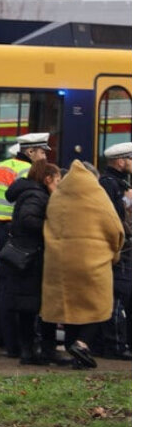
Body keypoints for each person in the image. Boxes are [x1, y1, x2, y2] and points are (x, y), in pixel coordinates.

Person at [0, 131, 50, 357]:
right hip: (18, 235)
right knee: (23, 289)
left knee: (4, 287)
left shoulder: (0, 167)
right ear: (30, 152)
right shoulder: (29, 173)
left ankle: (2, 338)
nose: (44, 156)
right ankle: (21, 343)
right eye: (42, 151)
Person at [40, 162, 124, 370]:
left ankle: (73, 350)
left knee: (70, 309)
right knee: (99, 304)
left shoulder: (58, 196)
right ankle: (81, 344)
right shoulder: (96, 195)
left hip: (58, 263)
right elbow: (115, 228)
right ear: (91, 177)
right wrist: (115, 251)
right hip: (91, 260)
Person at [4, 160, 69, 365]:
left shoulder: (28, 192)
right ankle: (44, 350)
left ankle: (28, 351)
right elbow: (27, 219)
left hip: (25, 257)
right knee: (42, 305)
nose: (59, 185)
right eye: (57, 180)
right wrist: (51, 228)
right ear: (47, 178)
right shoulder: (37, 195)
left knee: (27, 306)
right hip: (34, 258)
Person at [97, 142, 132, 360]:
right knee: (120, 296)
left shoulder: (118, 183)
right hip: (121, 249)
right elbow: (114, 218)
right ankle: (116, 345)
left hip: (124, 247)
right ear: (121, 161)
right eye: (131, 159)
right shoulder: (110, 185)